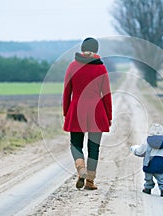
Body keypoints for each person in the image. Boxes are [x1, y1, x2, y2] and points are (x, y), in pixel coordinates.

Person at [63, 37, 112, 190]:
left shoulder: (72, 66)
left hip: (76, 110)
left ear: (82, 48)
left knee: (75, 144)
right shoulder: (101, 68)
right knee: (94, 147)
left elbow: (67, 92)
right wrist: (108, 116)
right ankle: (90, 182)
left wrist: (66, 112)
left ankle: (80, 168)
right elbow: (107, 95)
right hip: (97, 112)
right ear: (96, 50)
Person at [130, 123, 163, 197]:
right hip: (161, 165)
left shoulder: (147, 143)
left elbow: (140, 152)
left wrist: (133, 148)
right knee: (162, 178)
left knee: (148, 178)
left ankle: (148, 188)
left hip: (149, 165)